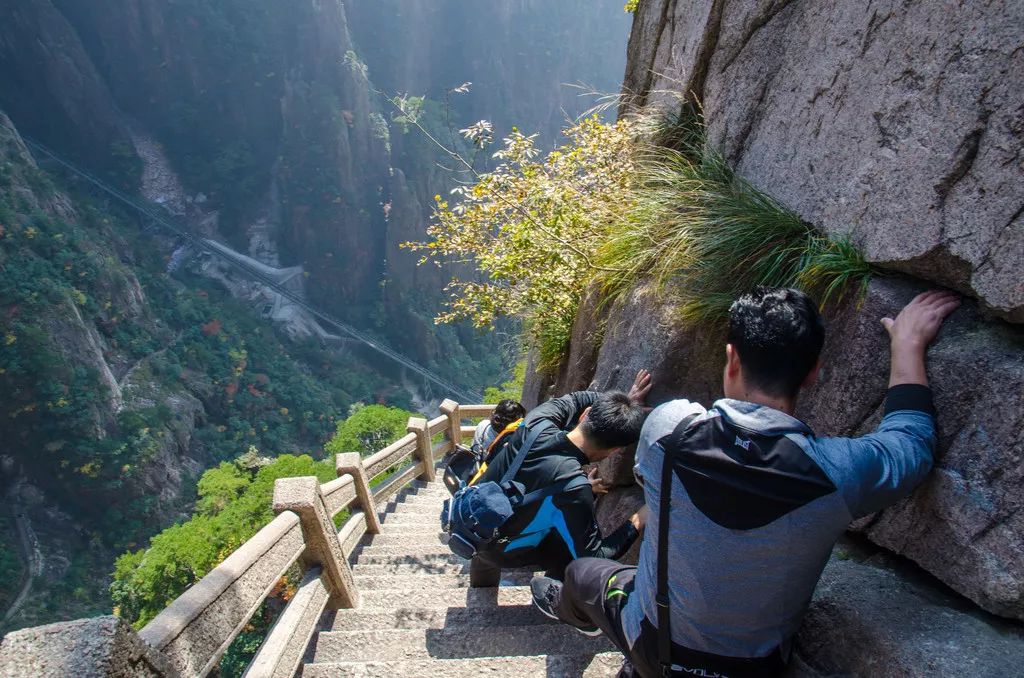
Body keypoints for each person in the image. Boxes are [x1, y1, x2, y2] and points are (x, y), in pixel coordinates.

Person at [530, 287, 960, 677]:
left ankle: (575, 615)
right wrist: (907, 346)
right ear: (813, 372)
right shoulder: (841, 473)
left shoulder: (667, 430)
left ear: (731, 358)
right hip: (754, 670)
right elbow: (911, 443)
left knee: (584, 573)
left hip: (654, 647)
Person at [469, 370, 654, 588]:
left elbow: (575, 399)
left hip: (471, 522)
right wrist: (640, 517)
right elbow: (596, 554)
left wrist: (617, 407)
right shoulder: (573, 488)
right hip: (503, 551)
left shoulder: (536, 422)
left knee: (484, 549)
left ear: (585, 415)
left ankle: (481, 588)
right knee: (570, 546)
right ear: (614, 451)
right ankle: (554, 594)